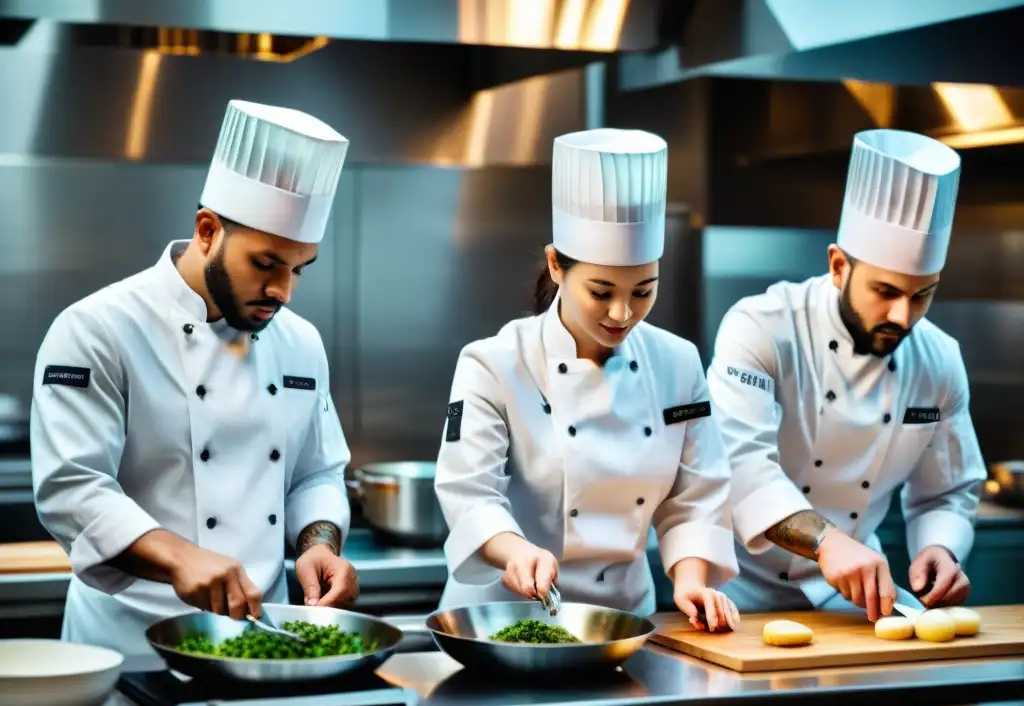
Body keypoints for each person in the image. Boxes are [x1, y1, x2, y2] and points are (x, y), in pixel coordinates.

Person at [30, 100, 359, 656]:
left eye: (299, 269)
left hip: (261, 633)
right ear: (208, 231)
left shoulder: (299, 342)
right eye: (266, 263)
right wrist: (181, 556)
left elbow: (316, 472)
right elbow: (74, 488)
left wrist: (318, 542)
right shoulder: (98, 329)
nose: (284, 291)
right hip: (128, 641)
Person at [434, 128, 741, 631]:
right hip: (506, 620)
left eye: (644, 291)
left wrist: (690, 579)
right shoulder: (493, 362)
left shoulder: (678, 362)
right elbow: (470, 492)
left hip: (622, 621)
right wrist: (515, 552)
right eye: (601, 292)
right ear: (557, 265)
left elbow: (696, 496)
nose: (623, 314)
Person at [706, 129, 986, 622]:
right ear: (839, 266)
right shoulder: (762, 328)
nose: (903, 316)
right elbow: (740, 466)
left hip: (849, 600)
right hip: (732, 594)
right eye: (886, 290)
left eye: (922, 295)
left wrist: (941, 547)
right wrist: (827, 541)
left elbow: (947, 490)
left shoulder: (939, 359)